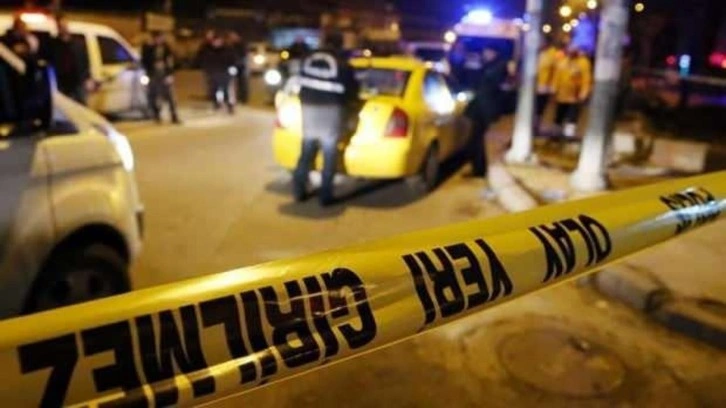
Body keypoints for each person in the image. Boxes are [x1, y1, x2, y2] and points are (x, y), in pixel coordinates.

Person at [293, 32, 359, 206]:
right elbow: (352, 90)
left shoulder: (308, 58)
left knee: (307, 149)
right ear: (339, 44)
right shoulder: (342, 62)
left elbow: (300, 82)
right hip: (331, 110)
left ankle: (298, 191)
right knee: (329, 153)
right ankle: (325, 195)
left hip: (309, 108)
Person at [463, 46, 508, 178]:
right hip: (482, 109)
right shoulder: (491, 66)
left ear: (493, 52)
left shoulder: (495, 68)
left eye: (487, 52)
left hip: (483, 110)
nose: (485, 54)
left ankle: (479, 169)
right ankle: (478, 168)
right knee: (476, 140)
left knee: (476, 140)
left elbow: (488, 90)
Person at [552, 46, 592, 138]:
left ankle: (569, 135)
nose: (571, 53)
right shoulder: (563, 61)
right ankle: (556, 134)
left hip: (574, 96)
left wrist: (583, 94)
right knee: (559, 115)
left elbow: (586, 80)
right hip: (561, 95)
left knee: (572, 116)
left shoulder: (583, 62)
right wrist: (554, 90)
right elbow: (557, 76)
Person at [142, 31, 180, 124]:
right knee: (153, 95)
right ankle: (157, 115)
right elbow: (145, 61)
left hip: (164, 73)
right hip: (153, 74)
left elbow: (170, 61)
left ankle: (174, 116)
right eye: (158, 38)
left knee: (169, 95)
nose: (160, 40)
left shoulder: (166, 47)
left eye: (161, 38)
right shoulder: (148, 47)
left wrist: (170, 74)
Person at [50, 16, 90, 104]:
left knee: (81, 109)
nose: (63, 28)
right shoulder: (53, 45)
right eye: (60, 26)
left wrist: (87, 78)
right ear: (57, 28)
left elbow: (85, 62)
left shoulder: (78, 44)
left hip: (78, 84)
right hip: (61, 85)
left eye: (64, 25)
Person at [198, 32, 235, 113]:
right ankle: (217, 103)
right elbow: (203, 59)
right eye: (215, 41)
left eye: (218, 41)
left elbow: (232, 60)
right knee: (214, 89)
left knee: (226, 89)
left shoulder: (227, 49)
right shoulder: (208, 50)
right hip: (213, 73)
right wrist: (207, 69)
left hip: (225, 72)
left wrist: (232, 68)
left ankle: (230, 105)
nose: (217, 43)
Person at [535, 36, 564, 133]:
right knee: (534, 106)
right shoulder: (537, 53)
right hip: (534, 84)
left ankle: (537, 124)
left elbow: (557, 71)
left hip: (545, 86)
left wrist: (553, 86)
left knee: (540, 106)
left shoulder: (555, 54)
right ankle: (534, 124)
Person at [226, 30, 248, 104]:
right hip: (234, 65)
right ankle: (233, 97)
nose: (231, 37)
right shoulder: (231, 45)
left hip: (241, 66)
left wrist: (237, 62)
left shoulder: (241, 44)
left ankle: (243, 98)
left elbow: (243, 55)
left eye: (232, 36)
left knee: (242, 82)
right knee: (231, 82)